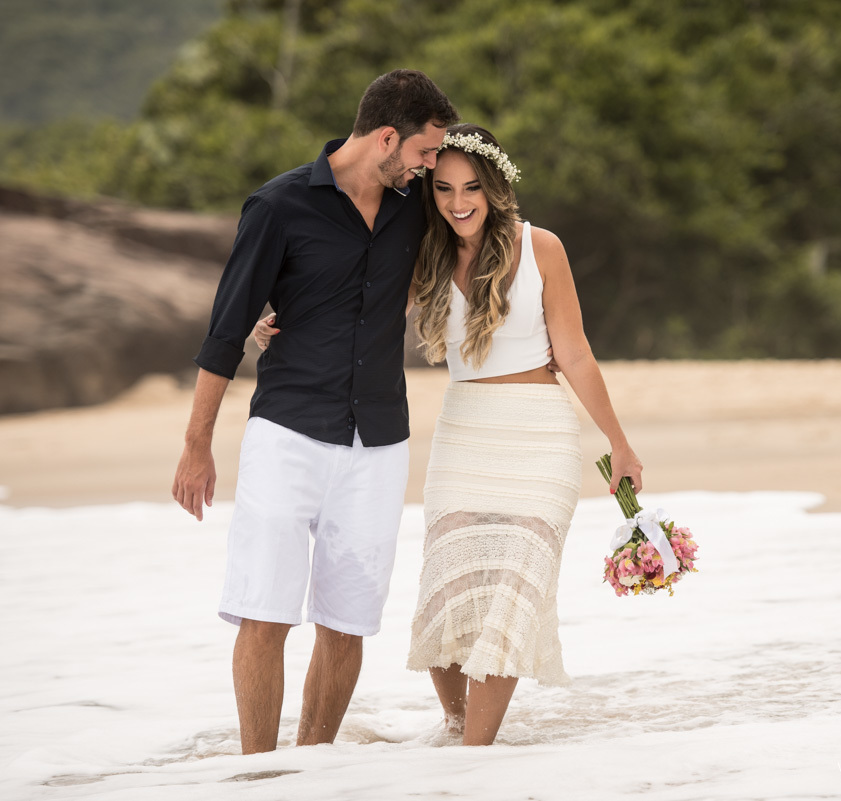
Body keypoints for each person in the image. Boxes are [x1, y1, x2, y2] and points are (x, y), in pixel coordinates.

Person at [254, 123, 643, 746]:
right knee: (450, 589)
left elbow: (575, 353)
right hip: (464, 435)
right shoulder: (425, 254)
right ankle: (457, 727)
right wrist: (279, 322)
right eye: (442, 188)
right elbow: (358, 305)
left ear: (495, 187)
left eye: (471, 188)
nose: (458, 202)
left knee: (514, 590)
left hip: (539, 435)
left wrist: (618, 445)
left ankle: (473, 756)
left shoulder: (542, 248)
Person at [171, 69, 458, 755]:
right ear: (387, 137)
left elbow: (479, 224)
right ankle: (258, 775)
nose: (428, 168)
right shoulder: (278, 207)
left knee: (346, 621)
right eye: (423, 152)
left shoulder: (413, 207)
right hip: (287, 432)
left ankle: (313, 770)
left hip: (380, 440)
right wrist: (196, 444)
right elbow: (226, 329)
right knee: (265, 611)